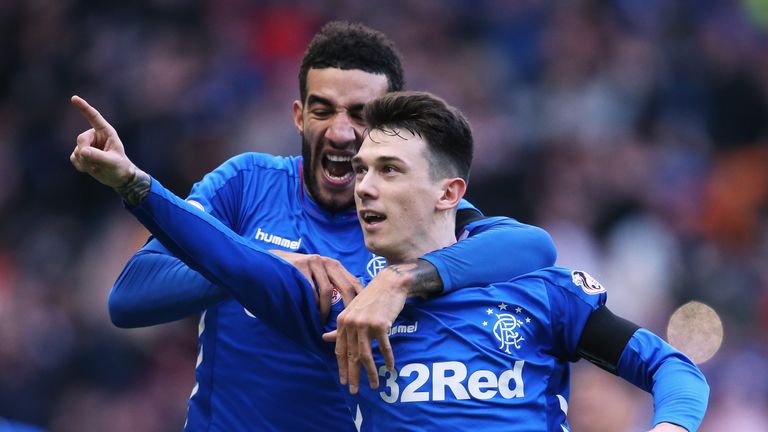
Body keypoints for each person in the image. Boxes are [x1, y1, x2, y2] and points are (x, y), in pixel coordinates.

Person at [70, 90, 708, 431]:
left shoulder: (537, 291)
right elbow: (225, 257)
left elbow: (673, 370)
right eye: (365, 170)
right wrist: (135, 184)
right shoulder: (341, 302)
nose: (364, 186)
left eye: (389, 171)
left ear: (448, 193)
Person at [74, 22, 557, 431]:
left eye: (361, 116)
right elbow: (130, 297)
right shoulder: (247, 183)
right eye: (323, 110)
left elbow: (530, 246)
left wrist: (401, 279)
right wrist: (265, 264)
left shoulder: (411, 216)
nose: (341, 132)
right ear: (300, 116)